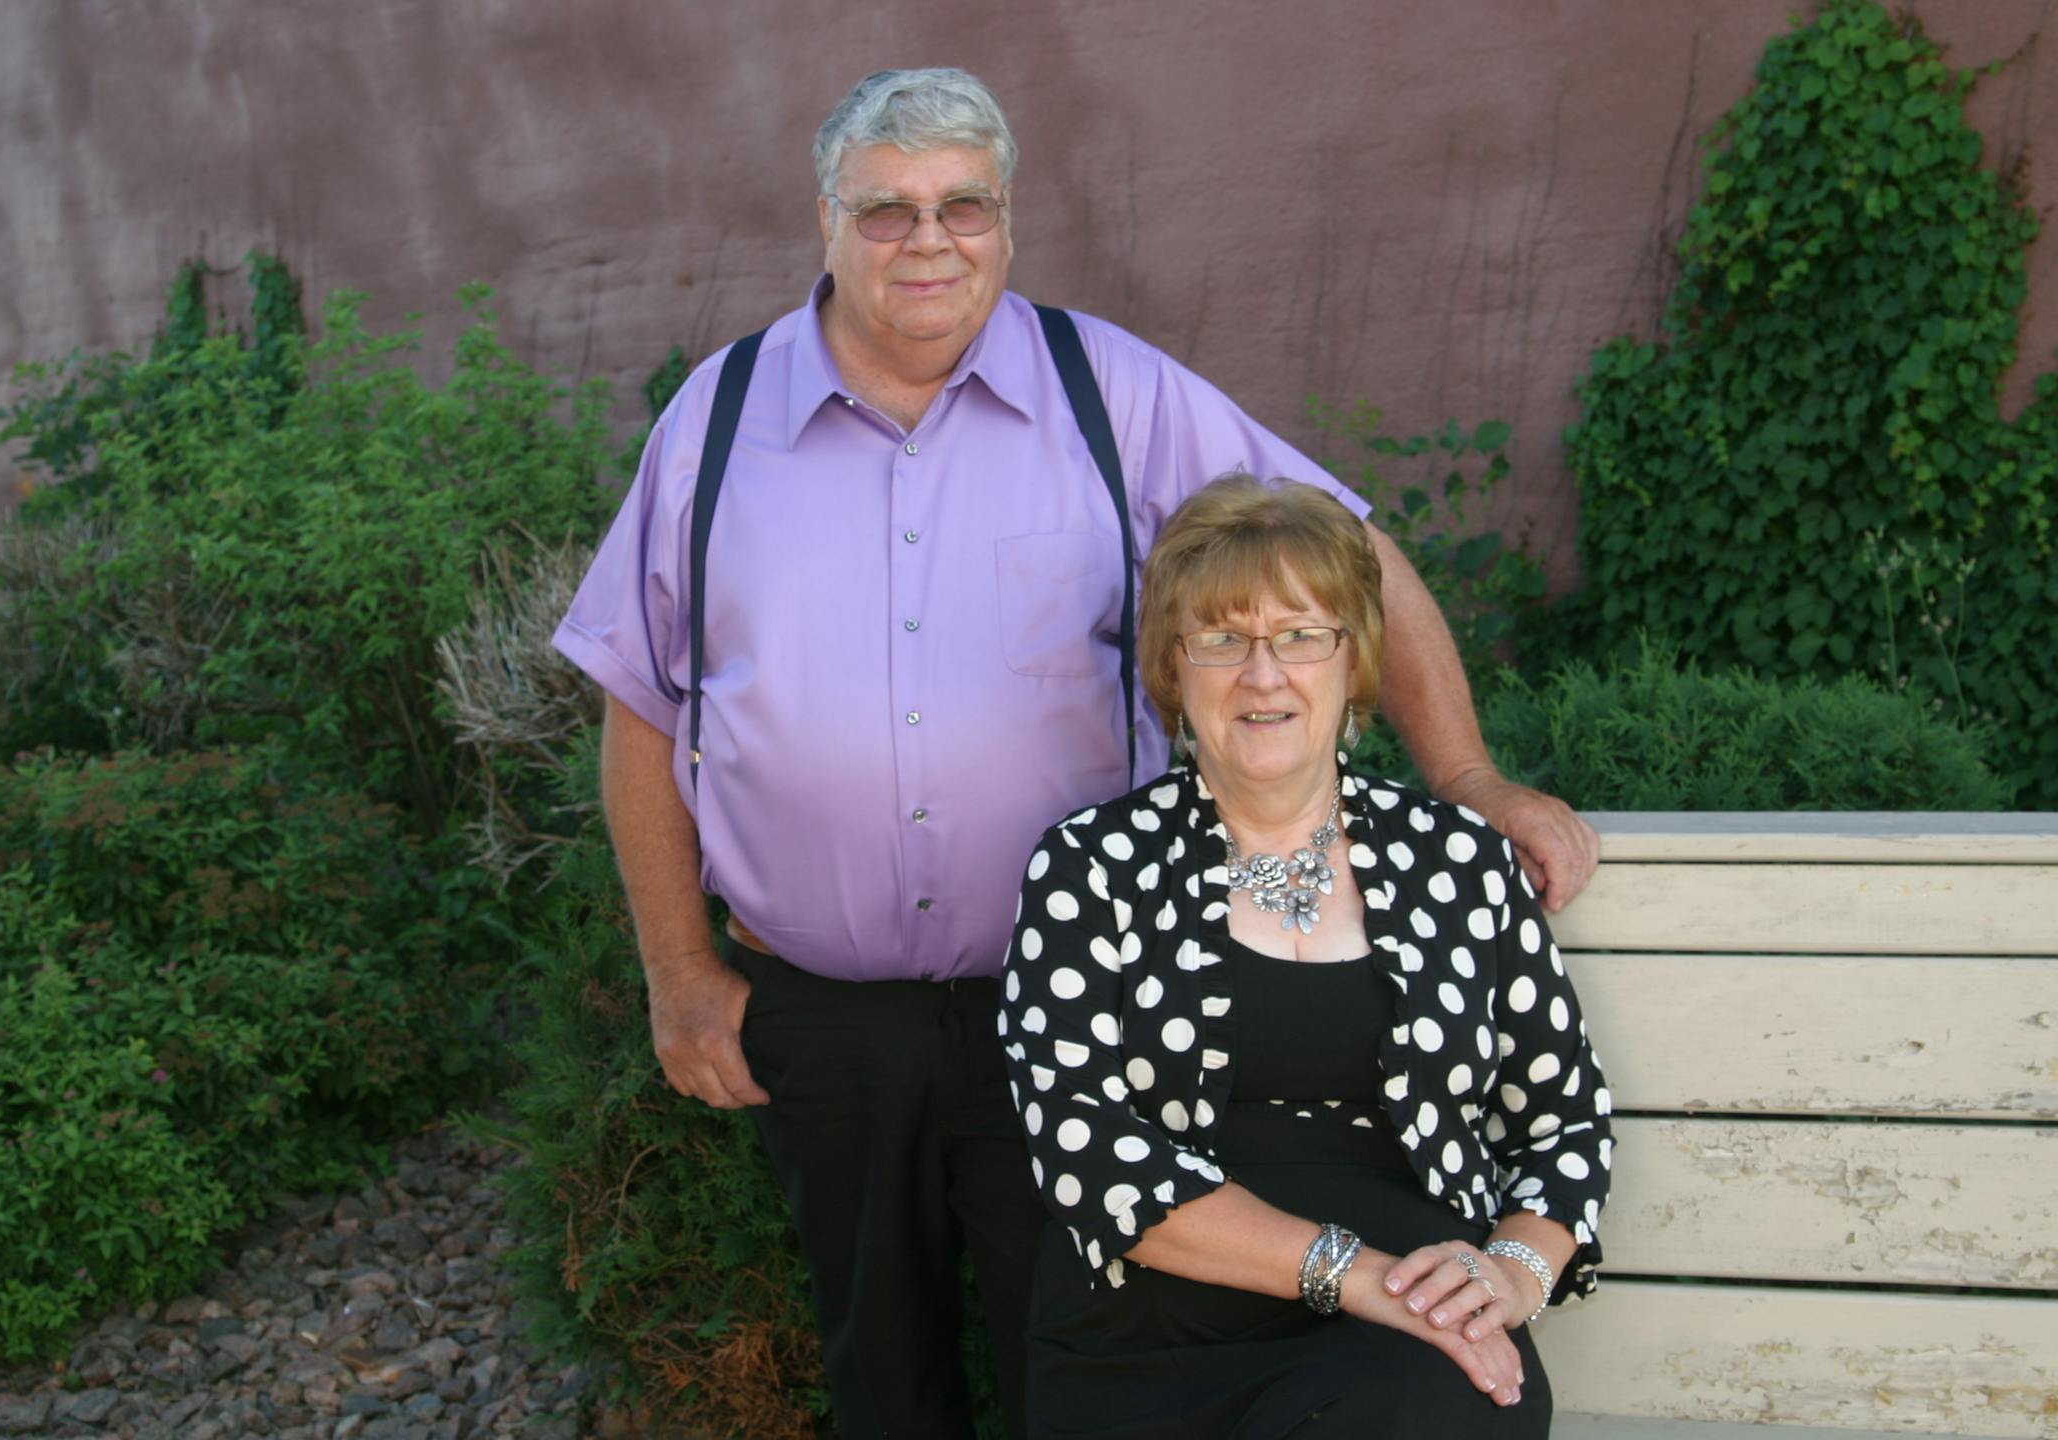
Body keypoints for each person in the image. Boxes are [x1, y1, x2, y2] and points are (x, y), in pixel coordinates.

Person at [554, 67, 1599, 1440]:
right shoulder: (716, 419)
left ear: (1007, 219)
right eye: (887, 211)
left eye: (963, 205)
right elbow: (643, 702)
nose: (928, 240)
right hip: (820, 1008)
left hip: (1077, 1004)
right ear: (825, 220)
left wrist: (1464, 778)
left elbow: (1345, 556)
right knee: (880, 1363)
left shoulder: (1111, 393)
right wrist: (679, 970)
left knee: (1070, 1350)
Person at [1001, 474, 1611, 1439]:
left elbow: (1565, 1125)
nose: (1263, 673)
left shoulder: (1458, 861)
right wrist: (1353, 1276)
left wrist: (1511, 1275)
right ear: (1173, 664)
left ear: (1353, 660)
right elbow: (1084, 1149)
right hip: (1156, 1321)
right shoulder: (1092, 867)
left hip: (1418, 1327)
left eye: (1301, 634)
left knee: (1428, 1411)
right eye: (1222, 640)